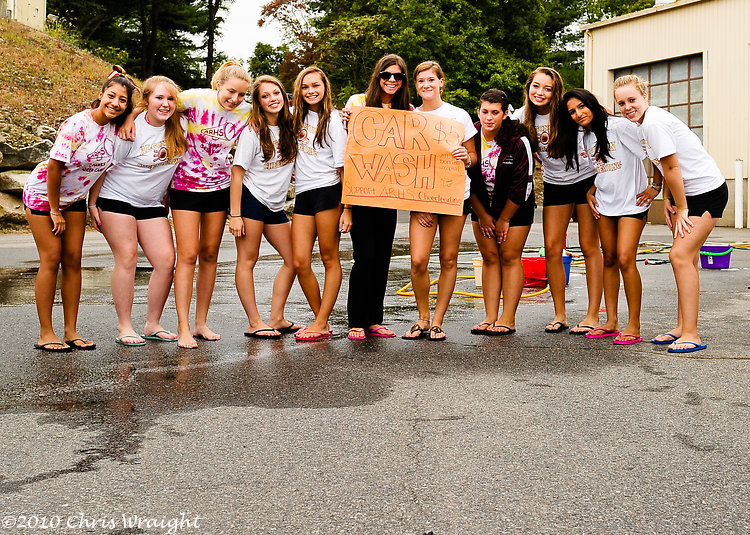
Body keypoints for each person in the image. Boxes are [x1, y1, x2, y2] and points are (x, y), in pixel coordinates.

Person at [121, 60, 254, 348]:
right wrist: (131, 116)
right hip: (186, 187)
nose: (235, 99)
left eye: (242, 94)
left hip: (219, 188)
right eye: (231, 91)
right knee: (189, 255)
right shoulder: (195, 98)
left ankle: (200, 323)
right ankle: (182, 326)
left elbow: (280, 114)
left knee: (209, 255)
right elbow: (160, 101)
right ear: (218, 85)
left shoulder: (246, 111)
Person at [23, 67, 135, 352]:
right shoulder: (77, 125)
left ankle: (71, 331)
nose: (116, 104)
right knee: (52, 258)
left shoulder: (115, 129)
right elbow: (54, 167)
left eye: (123, 100)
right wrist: (54, 210)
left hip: (74, 199)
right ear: (100, 95)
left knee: (73, 261)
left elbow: (102, 171)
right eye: (111, 96)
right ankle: (46, 333)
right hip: (42, 195)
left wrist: (127, 94)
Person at [614, 75, 728, 354]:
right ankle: (681, 327)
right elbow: (661, 164)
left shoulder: (653, 123)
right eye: (621, 103)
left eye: (632, 100)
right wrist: (667, 198)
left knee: (678, 255)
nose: (627, 107)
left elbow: (674, 168)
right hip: (686, 194)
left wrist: (683, 207)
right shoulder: (641, 124)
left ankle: (692, 333)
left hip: (705, 193)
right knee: (686, 258)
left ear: (645, 96)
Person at [88, 75, 186, 346]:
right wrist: (93, 203)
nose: (165, 104)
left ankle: (152, 324)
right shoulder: (130, 130)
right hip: (116, 198)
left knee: (166, 262)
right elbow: (103, 166)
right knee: (128, 256)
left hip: (151, 204)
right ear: (146, 101)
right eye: (158, 98)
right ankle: (125, 326)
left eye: (170, 99)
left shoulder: (182, 126)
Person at [559, 88, 656, 345]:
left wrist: (656, 187)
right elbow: (600, 170)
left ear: (592, 104)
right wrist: (591, 191)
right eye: (572, 111)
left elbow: (655, 153)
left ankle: (633, 325)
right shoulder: (585, 137)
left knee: (625, 258)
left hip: (632, 203)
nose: (578, 114)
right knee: (609, 258)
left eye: (581, 107)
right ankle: (611, 321)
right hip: (604, 205)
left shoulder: (620, 126)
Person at [521, 67, 603, 334]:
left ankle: (592, 315)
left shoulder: (567, 111)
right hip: (555, 185)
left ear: (556, 92)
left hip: (585, 182)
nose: (540, 92)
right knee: (552, 248)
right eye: (536, 86)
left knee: (589, 246)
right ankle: (560, 314)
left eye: (547, 88)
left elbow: (603, 120)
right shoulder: (522, 116)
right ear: (529, 87)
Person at [401, 61, 477, 341]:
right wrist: (419, 203)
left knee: (448, 258)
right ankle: (421, 316)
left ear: (442, 82)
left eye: (431, 80)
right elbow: (402, 164)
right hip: (422, 199)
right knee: (418, 260)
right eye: (420, 81)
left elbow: (473, 156)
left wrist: (466, 157)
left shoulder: (458, 115)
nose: (426, 85)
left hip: (455, 196)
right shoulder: (409, 116)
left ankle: (437, 321)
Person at [342, 54, 412, 341]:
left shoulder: (407, 110)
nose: (392, 80)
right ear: (377, 77)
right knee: (364, 257)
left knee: (383, 258)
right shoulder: (357, 103)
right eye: (386, 75)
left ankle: (374, 319)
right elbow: (348, 154)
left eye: (398, 76)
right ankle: (356, 320)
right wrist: (345, 207)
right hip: (360, 193)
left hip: (389, 194)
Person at [229, 75, 299, 339]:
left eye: (276, 93)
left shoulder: (291, 125)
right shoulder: (253, 131)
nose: (272, 99)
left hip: (275, 204)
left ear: (284, 95)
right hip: (252, 200)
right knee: (248, 260)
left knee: (295, 260)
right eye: (265, 96)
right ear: (258, 102)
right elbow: (237, 174)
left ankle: (277, 318)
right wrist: (235, 215)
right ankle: (254, 321)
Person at [290, 67, 350, 342]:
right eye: (305, 87)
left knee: (329, 257)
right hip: (303, 193)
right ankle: (320, 320)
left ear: (325, 87)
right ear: (298, 91)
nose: (311, 91)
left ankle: (322, 320)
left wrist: (347, 208)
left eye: (316, 85)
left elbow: (343, 167)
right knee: (300, 260)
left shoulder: (335, 120)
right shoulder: (293, 117)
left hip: (328, 192)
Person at [468, 89, 535, 336]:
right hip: (482, 205)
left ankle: (508, 318)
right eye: (484, 111)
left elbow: (523, 184)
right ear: (478, 111)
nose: (489, 117)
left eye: (495, 112)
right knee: (489, 258)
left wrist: (505, 218)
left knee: (508, 256)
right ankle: (490, 316)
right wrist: (483, 215)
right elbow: (466, 180)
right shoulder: (471, 136)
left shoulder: (518, 141)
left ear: (505, 114)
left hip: (515, 206)